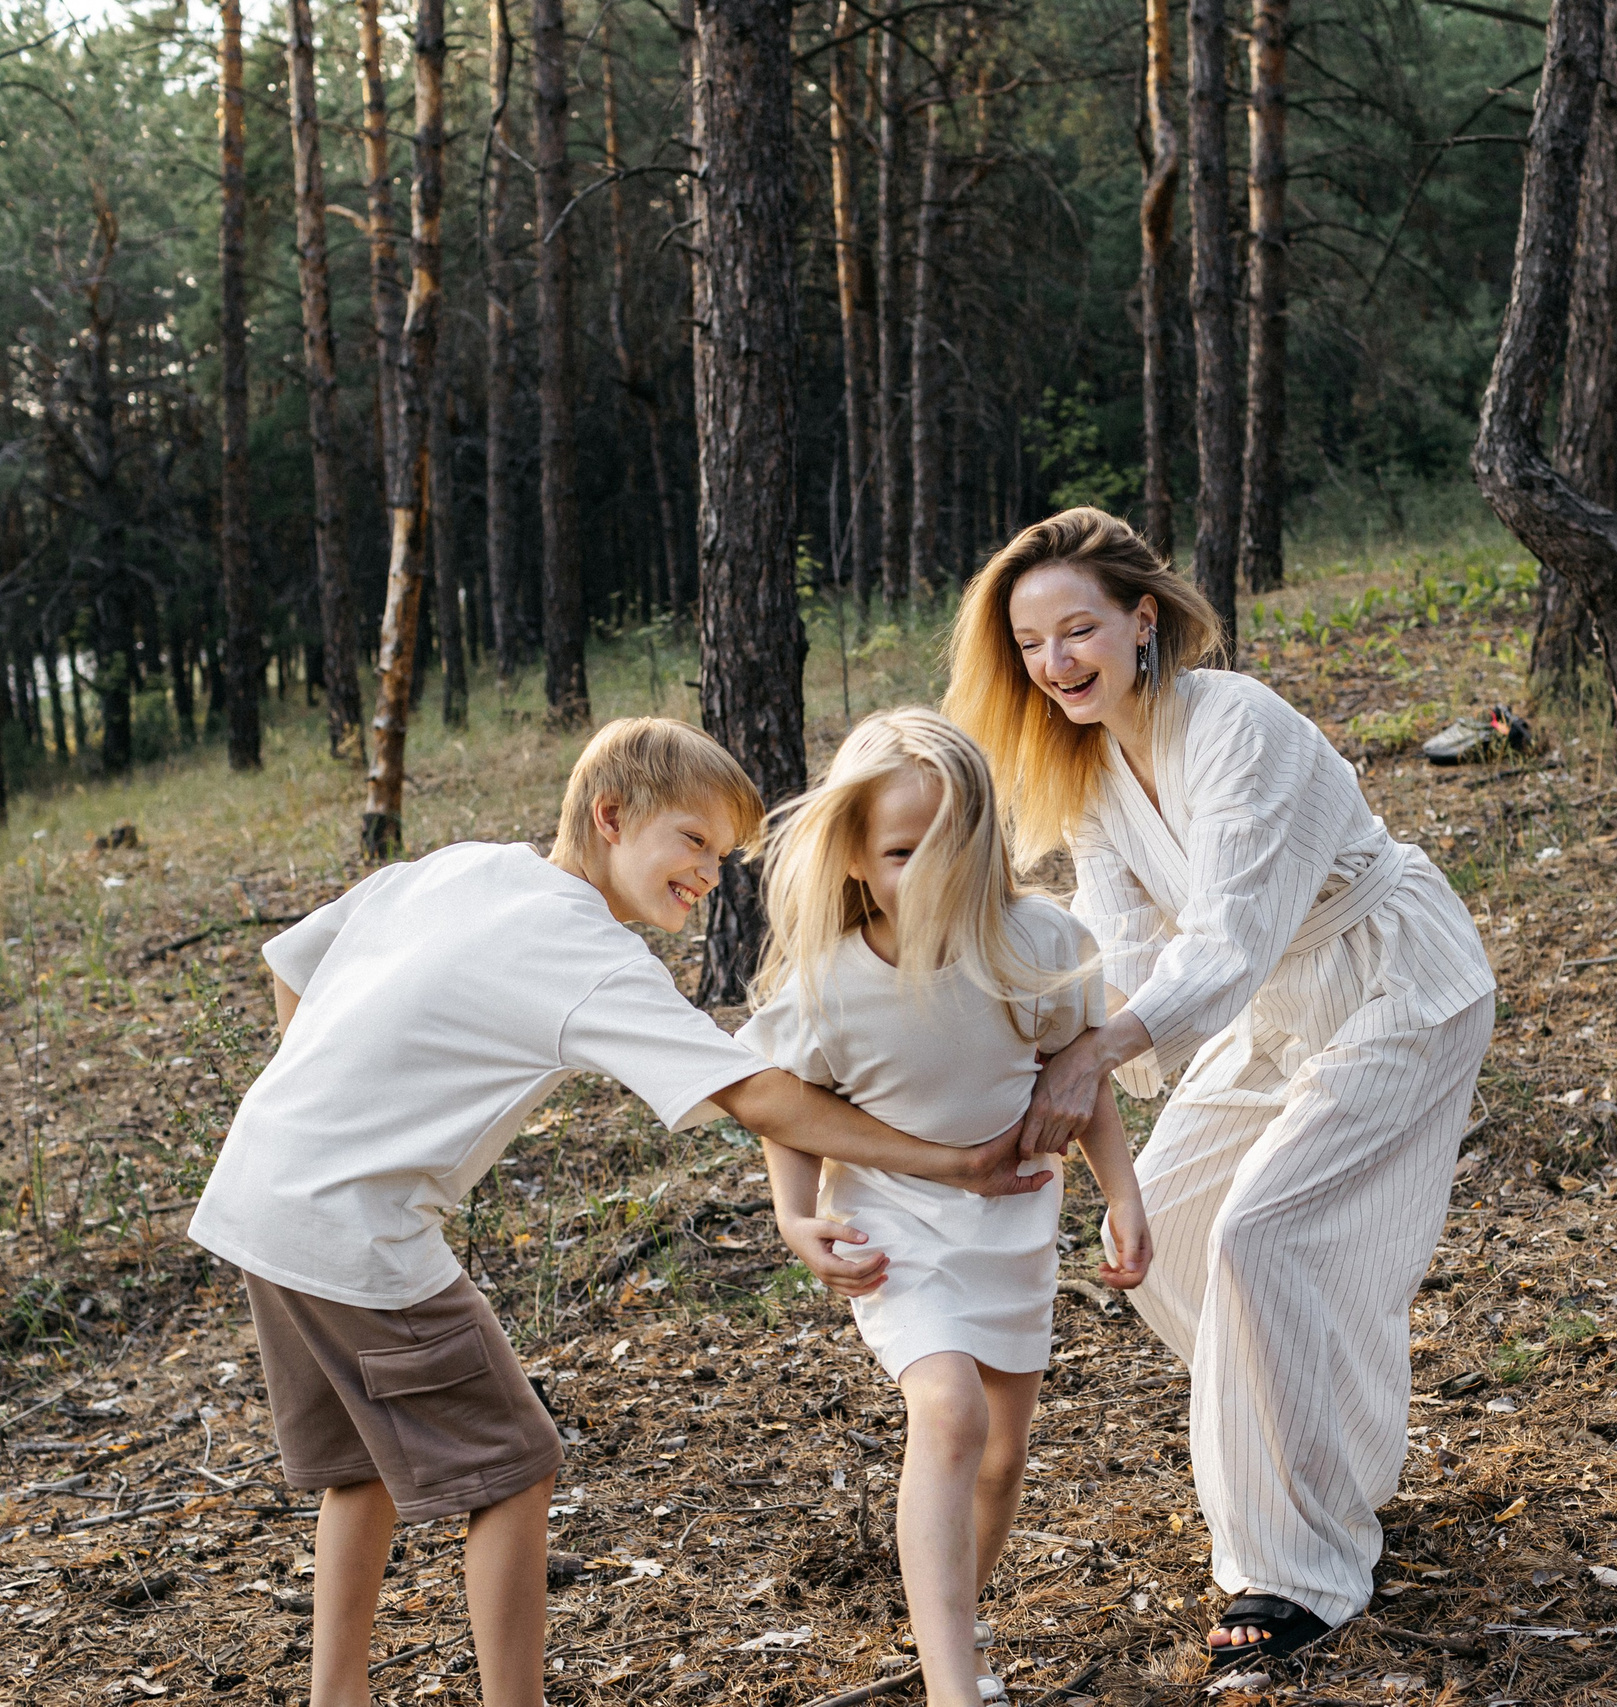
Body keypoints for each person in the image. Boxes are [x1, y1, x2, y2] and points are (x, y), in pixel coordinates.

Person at [189, 718, 1047, 1707]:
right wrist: (952, 1160)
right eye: (691, 841)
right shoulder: (582, 951)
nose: (710, 874)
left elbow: (291, 966)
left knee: (361, 1468)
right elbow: (759, 1097)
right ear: (609, 815)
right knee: (516, 1467)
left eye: (723, 857)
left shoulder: (461, 866)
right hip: (354, 1228)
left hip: (259, 1188)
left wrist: (325, 1106)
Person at [945, 510, 1497, 1673]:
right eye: (1032, 644)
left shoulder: (1238, 722)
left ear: (1142, 622)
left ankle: (1296, 1571)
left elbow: (1229, 937)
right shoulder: (1091, 772)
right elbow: (1124, 956)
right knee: (1169, 1223)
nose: (1056, 664)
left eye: (1078, 629)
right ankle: (1313, 1454)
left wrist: (1100, 1054)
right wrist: (1034, 1049)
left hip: (1392, 979)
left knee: (1258, 1234)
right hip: (1274, 1006)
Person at [741, 709, 1153, 1707]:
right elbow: (788, 1112)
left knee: (1003, 1461)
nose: (923, 873)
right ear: (847, 855)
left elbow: (1078, 1075)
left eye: (945, 848)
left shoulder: (1036, 941)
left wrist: (1121, 1192)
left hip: (1011, 1225)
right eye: (895, 851)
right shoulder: (827, 983)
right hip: (894, 1228)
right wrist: (797, 1220)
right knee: (950, 1412)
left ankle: (948, 1634)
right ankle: (950, 1687)